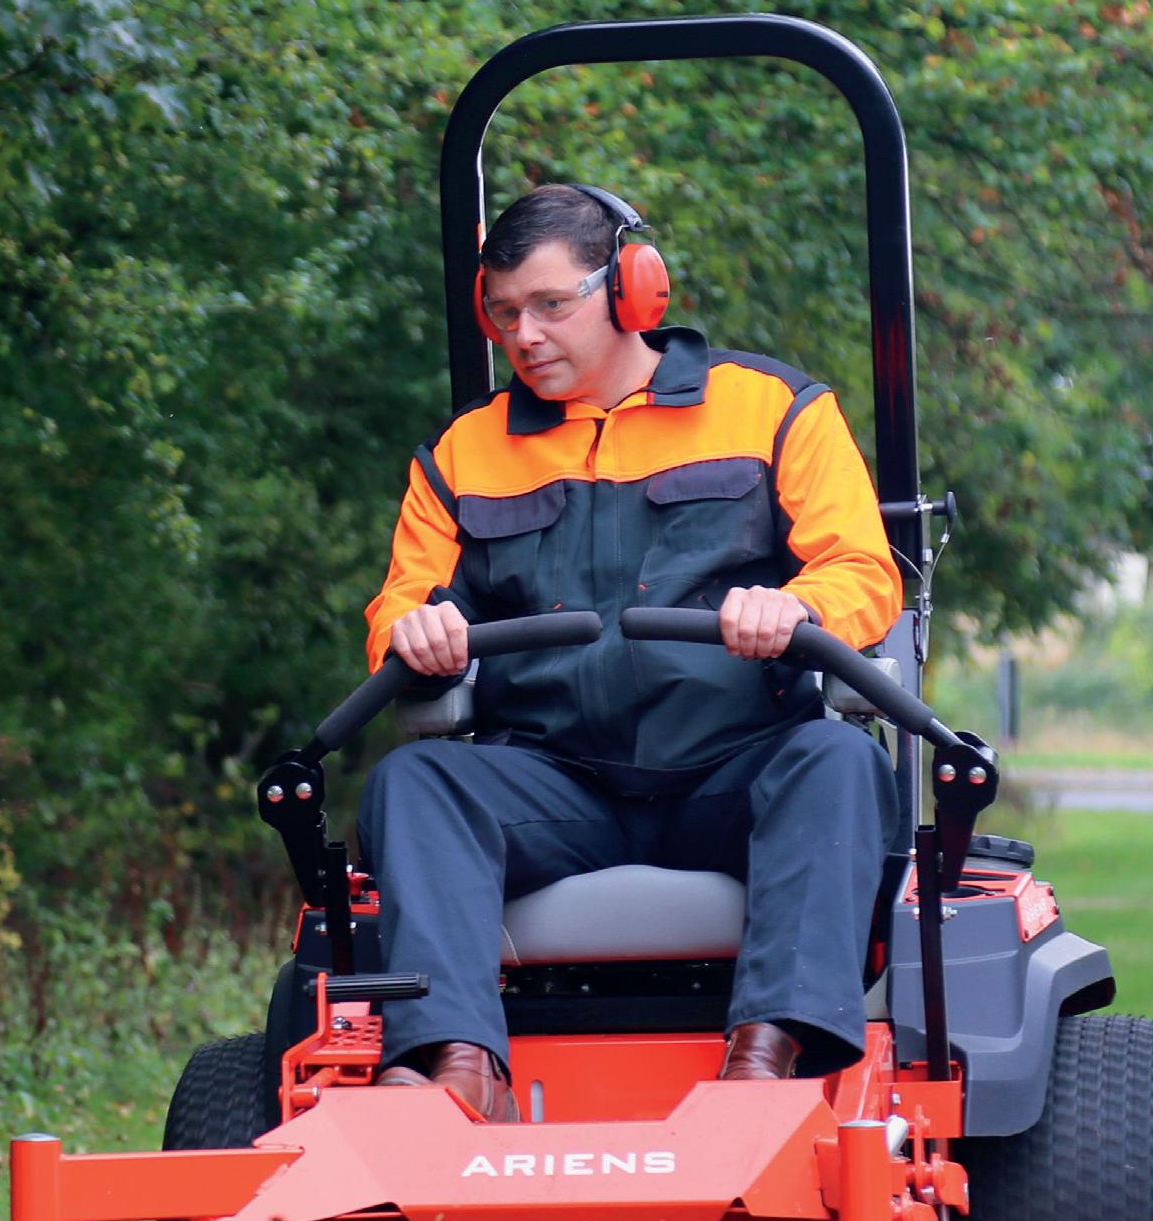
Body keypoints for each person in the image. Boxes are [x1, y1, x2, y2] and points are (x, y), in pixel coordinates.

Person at [358, 183, 902, 1122]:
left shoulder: (773, 410)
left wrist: (797, 605)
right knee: (413, 783)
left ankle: (765, 1063)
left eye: (549, 304)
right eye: (503, 314)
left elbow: (864, 570)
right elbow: (399, 608)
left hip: (738, 768)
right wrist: (416, 631)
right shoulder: (462, 455)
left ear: (631, 290)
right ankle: (460, 1068)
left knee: (840, 759)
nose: (525, 335)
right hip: (552, 783)